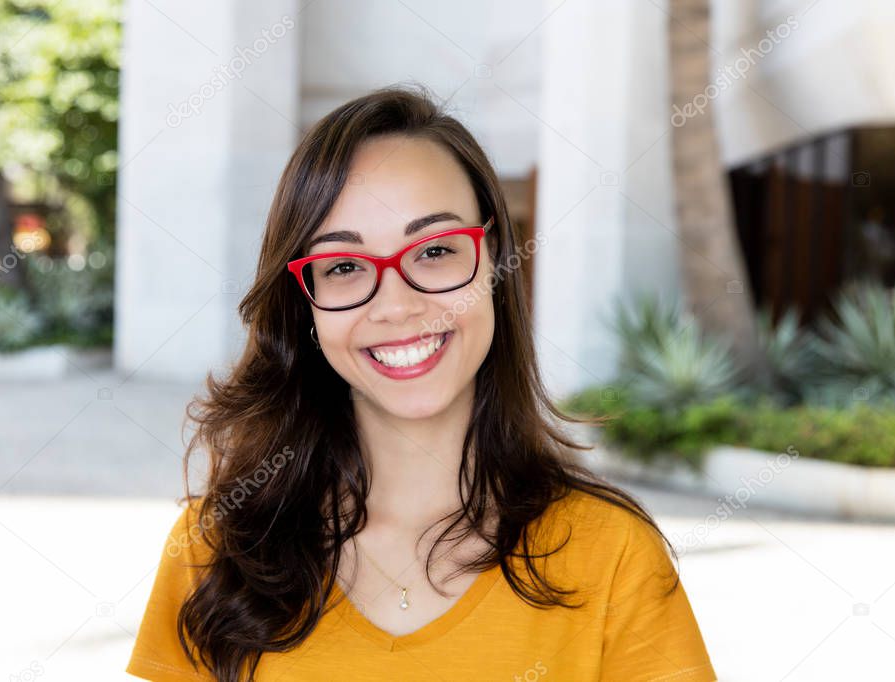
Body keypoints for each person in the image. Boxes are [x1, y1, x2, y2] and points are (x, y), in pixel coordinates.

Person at [126, 84, 717, 682]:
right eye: (345, 266)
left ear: (493, 262)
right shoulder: (216, 549)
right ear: (305, 304)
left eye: (434, 250)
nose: (397, 304)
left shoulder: (614, 556)